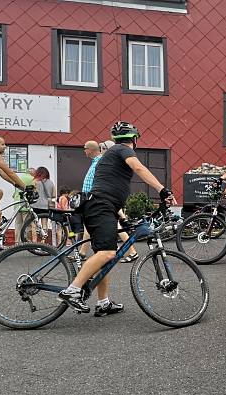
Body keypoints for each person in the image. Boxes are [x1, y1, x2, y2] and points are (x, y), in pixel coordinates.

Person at [58, 121, 175, 316]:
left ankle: (103, 302)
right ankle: (73, 290)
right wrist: (162, 189)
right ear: (134, 139)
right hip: (100, 206)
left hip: (103, 206)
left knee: (103, 258)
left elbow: (111, 187)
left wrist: (121, 217)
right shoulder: (122, 150)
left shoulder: (113, 153)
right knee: (107, 252)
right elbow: (138, 168)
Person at [76, 140, 138, 263]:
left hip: (100, 199)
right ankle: (83, 253)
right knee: (90, 227)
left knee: (115, 225)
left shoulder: (102, 161)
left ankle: (131, 251)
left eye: (85, 148)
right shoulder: (99, 161)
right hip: (95, 199)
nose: (84, 151)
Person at [31, 166, 55, 239]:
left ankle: (34, 243)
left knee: (34, 224)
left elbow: (32, 193)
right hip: (46, 206)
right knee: (44, 224)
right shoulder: (51, 182)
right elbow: (54, 195)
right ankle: (43, 242)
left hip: (35, 205)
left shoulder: (35, 182)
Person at [12, 168, 36, 237]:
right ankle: (24, 243)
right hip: (26, 205)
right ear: (33, 173)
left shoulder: (19, 178)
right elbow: (34, 192)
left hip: (17, 204)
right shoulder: (33, 179)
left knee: (18, 225)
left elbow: (14, 193)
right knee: (26, 225)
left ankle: (17, 243)